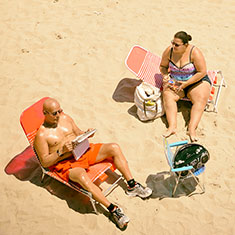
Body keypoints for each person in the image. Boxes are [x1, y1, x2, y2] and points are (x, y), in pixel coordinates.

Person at [34, 98, 152, 229]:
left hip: (82, 151)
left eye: (60, 110)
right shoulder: (41, 135)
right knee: (82, 177)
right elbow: (44, 162)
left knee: (114, 147)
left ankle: (132, 186)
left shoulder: (65, 118)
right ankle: (113, 209)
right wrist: (60, 151)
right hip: (66, 163)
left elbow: (78, 133)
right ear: (45, 113)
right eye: (55, 113)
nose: (59, 115)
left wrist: (86, 134)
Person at [160, 31, 211, 142]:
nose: (173, 46)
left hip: (195, 81)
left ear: (185, 45)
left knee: (200, 100)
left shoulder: (194, 52)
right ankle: (172, 126)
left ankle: (191, 129)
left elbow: (202, 72)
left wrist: (187, 84)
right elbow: (163, 66)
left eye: (177, 45)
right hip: (177, 82)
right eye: (172, 43)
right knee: (167, 95)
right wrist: (165, 75)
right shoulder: (169, 51)